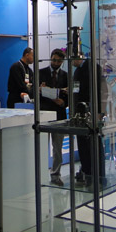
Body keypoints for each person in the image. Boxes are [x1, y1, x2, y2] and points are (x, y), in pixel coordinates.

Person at [72, 53, 106, 186]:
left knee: (94, 145)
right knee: (83, 146)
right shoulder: (78, 71)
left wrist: (100, 112)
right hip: (80, 114)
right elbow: (76, 91)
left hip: (92, 114)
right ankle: (87, 174)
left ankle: (98, 177)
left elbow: (102, 91)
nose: (71, 62)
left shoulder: (93, 68)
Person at [39, 48, 68, 186]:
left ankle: (55, 175)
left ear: (62, 62)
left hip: (59, 114)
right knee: (41, 146)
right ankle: (39, 174)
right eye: (54, 60)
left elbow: (70, 94)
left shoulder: (65, 76)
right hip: (44, 114)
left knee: (57, 148)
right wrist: (40, 90)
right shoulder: (41, 73)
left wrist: (63, 102)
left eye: (59, 61)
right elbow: (32, 93)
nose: (56, 63)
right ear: (50, 58)